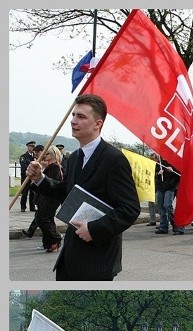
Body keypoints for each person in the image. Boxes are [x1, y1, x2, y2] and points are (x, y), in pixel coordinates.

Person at [26, 94, 140, 280]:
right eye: (73, 115)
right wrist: (40, 179)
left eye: (81, 116)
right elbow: (66, 192)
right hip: (69, 256)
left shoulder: (113, 159)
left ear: (98, 123)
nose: (73, 121)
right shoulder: (74, 157)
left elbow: (130, 209)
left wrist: (94, 229)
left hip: (97, 259)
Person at [27, 145, 64, 253]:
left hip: (51, 198)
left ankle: (56, 238)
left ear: (53, 155)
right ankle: (49, 243)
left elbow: (53, 184)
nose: (44, 155)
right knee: (44, 218)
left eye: (47, 153)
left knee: (42, 219)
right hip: (44, 197)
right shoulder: (49, 166)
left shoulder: (55, 167)